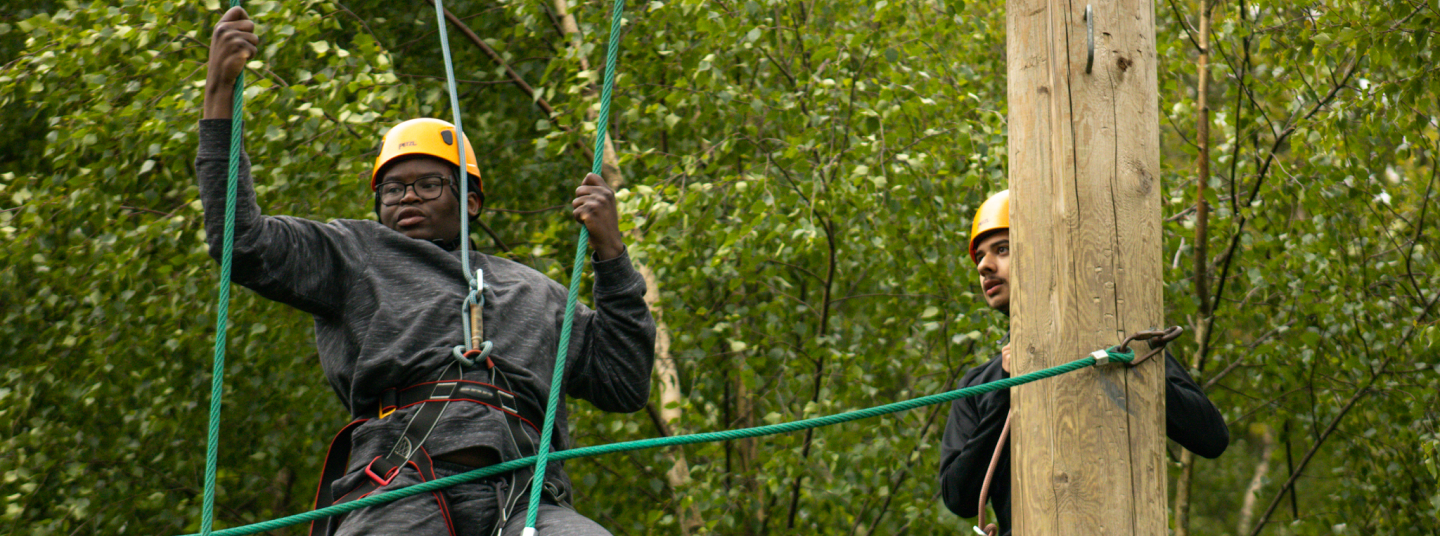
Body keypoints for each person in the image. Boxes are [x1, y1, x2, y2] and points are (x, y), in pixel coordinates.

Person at [198, 7, 655, 536]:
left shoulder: (539, 295)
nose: (408, 195)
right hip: (398, 484)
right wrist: (219, 95)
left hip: (526, 498)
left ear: (473, 201)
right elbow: (242, 241)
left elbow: (624, 382)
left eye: (428, 184)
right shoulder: (355, 255)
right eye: (393, 188)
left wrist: (611, 254)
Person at [937, 190, 1229, 535]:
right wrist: (1005, 388)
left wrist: (1127, 369)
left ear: (1043, 251)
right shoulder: (981, 385)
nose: (984, 265)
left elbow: (1211, 438)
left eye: (1003, 249)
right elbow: (958, 497)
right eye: (980, 257)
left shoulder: (1117, 344)